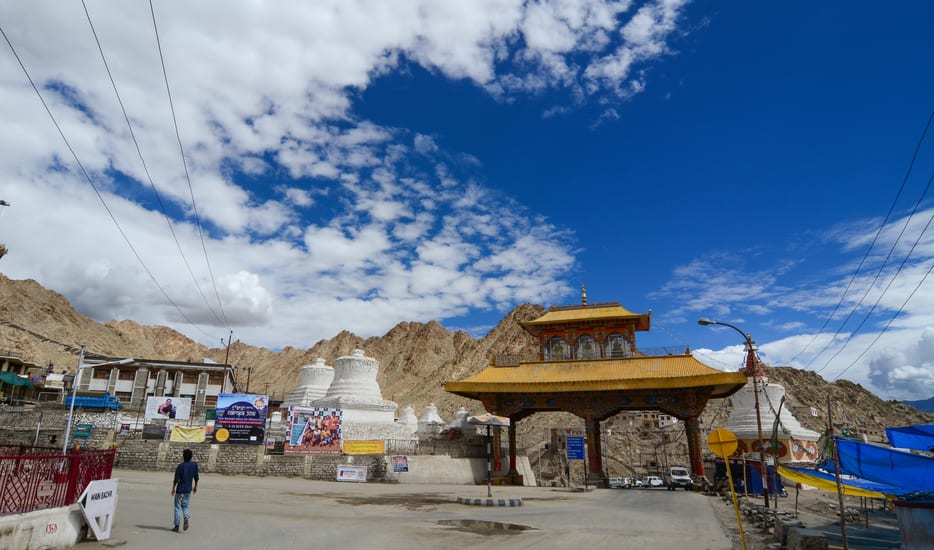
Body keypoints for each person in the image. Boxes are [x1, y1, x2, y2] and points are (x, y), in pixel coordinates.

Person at [171, 448, 199, 532]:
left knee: (177, 507)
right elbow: (196, 477)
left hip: (180, 489)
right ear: (191, 457)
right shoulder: (194, 465)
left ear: (183, 456)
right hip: (188, 490)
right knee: (185, 506)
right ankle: (186, 517)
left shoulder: (180, 466)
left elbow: (176, 479)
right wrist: (195, 486)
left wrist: (173, 488)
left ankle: (176, 525)